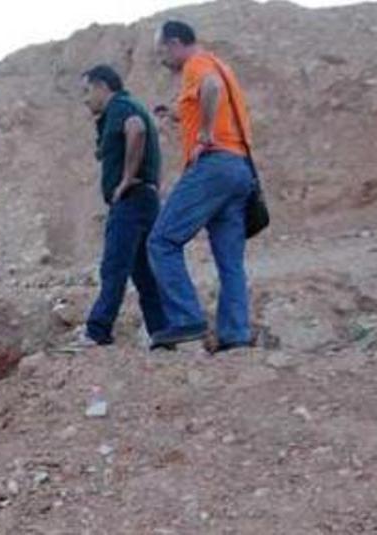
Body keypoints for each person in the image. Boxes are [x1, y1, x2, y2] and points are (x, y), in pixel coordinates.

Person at [148, 21, 257, 352]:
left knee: (161, 240)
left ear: (176, 43)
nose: (162, 59)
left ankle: (186, 318)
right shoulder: (220, 65)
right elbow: (213, 99)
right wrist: (179, 115)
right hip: (239, 168)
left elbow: (210, 89)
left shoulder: (198, 65)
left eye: (162, 51)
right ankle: (235, 335)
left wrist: (205, 134)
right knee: (230, 262)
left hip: (214, 165)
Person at [73, 65, 169, 349]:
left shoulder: (119, 106)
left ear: (103, 86)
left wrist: (126, 179)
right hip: (146, 199)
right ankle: (162, 335)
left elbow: (136, 130)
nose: (85, 99)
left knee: (114, 267)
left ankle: (97, 330)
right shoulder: (130, 106)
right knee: (144, 274)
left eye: (87, 91)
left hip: (131, 200)